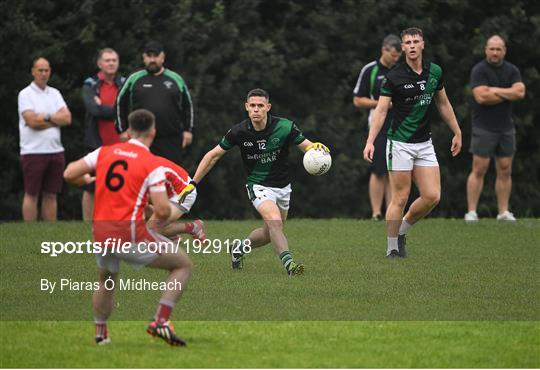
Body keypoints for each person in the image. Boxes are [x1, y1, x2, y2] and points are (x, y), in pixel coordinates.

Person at [64, 109, 192, 347]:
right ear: (152, 132)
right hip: (129, 234)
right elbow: (163, 211)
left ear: (128, 131)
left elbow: (69, 173)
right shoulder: (151, 163)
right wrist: (152, 211)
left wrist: (85, 181)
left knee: (107, 279)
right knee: (183, 264)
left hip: (101, 233)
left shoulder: (104, 152)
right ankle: (160, 322)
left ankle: (101, 334)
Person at [179, 88, 329, 275]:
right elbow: (213, 156)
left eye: (260, 105)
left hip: (283, 186)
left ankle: (239, 248)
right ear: (246, 107)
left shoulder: (285, 127)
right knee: (274, 223)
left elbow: (307, 146)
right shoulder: (239, 131)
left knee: (268, 234)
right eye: (253, 106)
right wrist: (193, 183)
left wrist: (316, 148)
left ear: (268, 107)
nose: (256, 109)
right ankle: (290, 265)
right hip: (257, 185)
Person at [362, 27, 462, 258]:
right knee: (400, 197)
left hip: (425, 143)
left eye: (416, 41)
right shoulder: (394, 76)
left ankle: (402, 231)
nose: (413, 45)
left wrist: (457, 131)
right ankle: (392, 249)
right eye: (408, 42)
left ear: (423, 44)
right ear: (403, 47)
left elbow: (443, 104)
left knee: (432, 196)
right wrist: (370, 141)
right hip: (399, 143)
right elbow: (380, 111)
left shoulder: (434, 71)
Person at [464, 35, 525, 222]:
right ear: (486, 50)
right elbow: (481, 97)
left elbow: (520, 92)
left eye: (499, 49)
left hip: (506, 127)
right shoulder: (479, 70)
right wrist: (507, 92)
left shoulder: (512, 70)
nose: (495, 52)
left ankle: (503, 212)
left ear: (504, 51)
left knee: (505, 169)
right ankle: (472, 212)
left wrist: (494, 90)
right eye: (492, 49)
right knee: (479, 168)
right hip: (484, 127)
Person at [116, 41, 194, 165]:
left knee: (171, 176)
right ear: (144, 58)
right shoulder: (134, 79)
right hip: (140, 137)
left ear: (162, 57)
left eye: (156, 56)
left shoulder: (175, 79)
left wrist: (188, 130)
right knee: (141, 175)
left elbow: (188, 105)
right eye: (149, 56)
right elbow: (120, 102)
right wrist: (122, 129)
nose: (152, 59)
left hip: (170, 138)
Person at [353, 34, 402, 220]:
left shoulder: (402, 70)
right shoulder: (370, 70)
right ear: (384, 50)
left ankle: (393, 212)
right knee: (378, 169)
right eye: (393, 55)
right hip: (378, 126)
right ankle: (376, 212)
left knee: (395, 170)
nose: (396, 59)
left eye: (399, 56)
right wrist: (382, 105)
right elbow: (357, 100)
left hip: (400, 126)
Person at [18, 57, 72, 221]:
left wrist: (46, 117)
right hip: (33, 151)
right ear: (33, 71)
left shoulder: (55, 93)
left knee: (51, 194)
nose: (43, 73)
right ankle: (30, 232)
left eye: (46, 70)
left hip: (55, 150)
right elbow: (31, 121)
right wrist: (55, 120)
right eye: (40, 70)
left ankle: (49, 231)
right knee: (32, 193)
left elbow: (67, 119)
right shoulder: (25, 94)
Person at [81, 48, 126, 221]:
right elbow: (93, 109)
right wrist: (116, 110)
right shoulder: (90, 84)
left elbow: (130, 109)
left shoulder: (124, 82)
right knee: (91, 186)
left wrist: (104, 108)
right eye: (107, 60)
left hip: (121, 144)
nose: (111, 63)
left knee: (120, 186)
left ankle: (118, 222)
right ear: (99, 64)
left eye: (114, 60)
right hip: (96, 143)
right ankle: (87, 224)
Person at [147, 155, 207, 241]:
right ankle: (171, 235)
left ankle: (193, 227)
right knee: (143, 212)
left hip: (183, 191)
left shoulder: (139, 167)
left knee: (150, 231)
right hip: (169, 189)